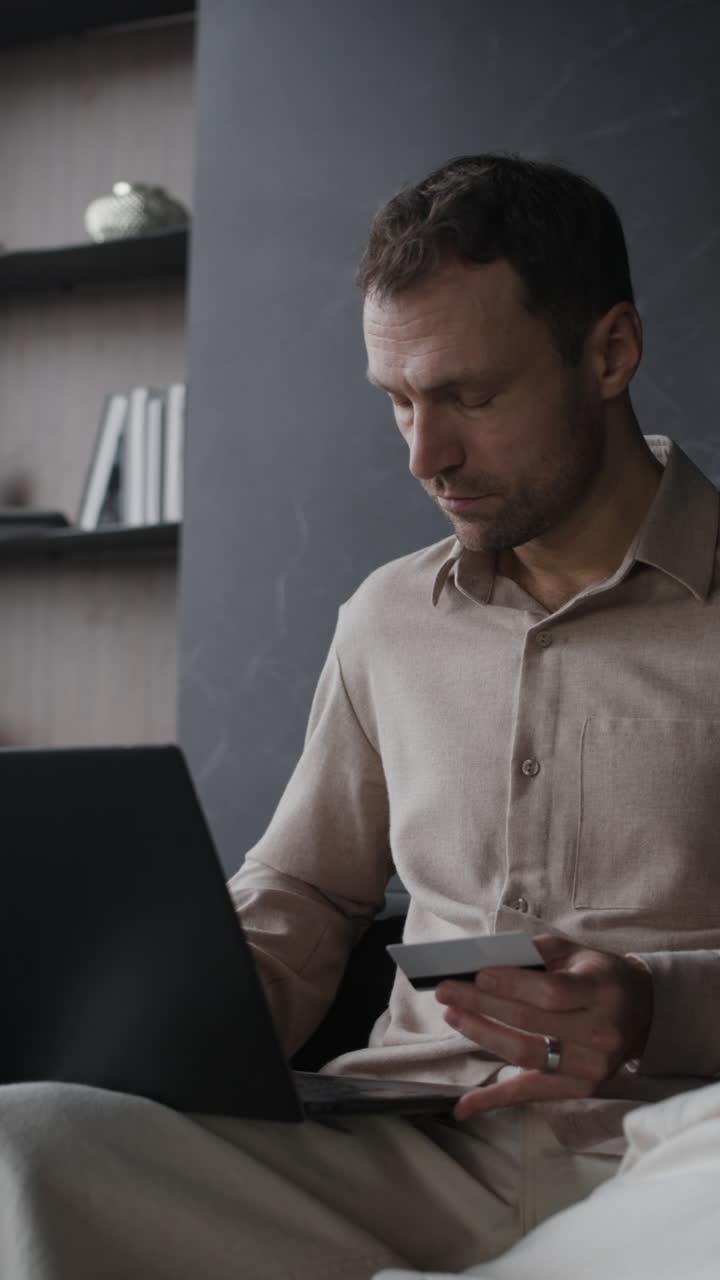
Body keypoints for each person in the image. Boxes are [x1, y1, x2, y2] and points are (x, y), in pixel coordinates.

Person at [1, 153, 719, 1279]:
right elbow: (303, 891)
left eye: (472, 398)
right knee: (25, 1137)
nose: (426, 454)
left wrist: (655, 1007)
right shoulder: (387, 618)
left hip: (676, 1148)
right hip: (408, 1144)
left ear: (610, 352)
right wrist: (155, 1007)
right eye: (398, 400)